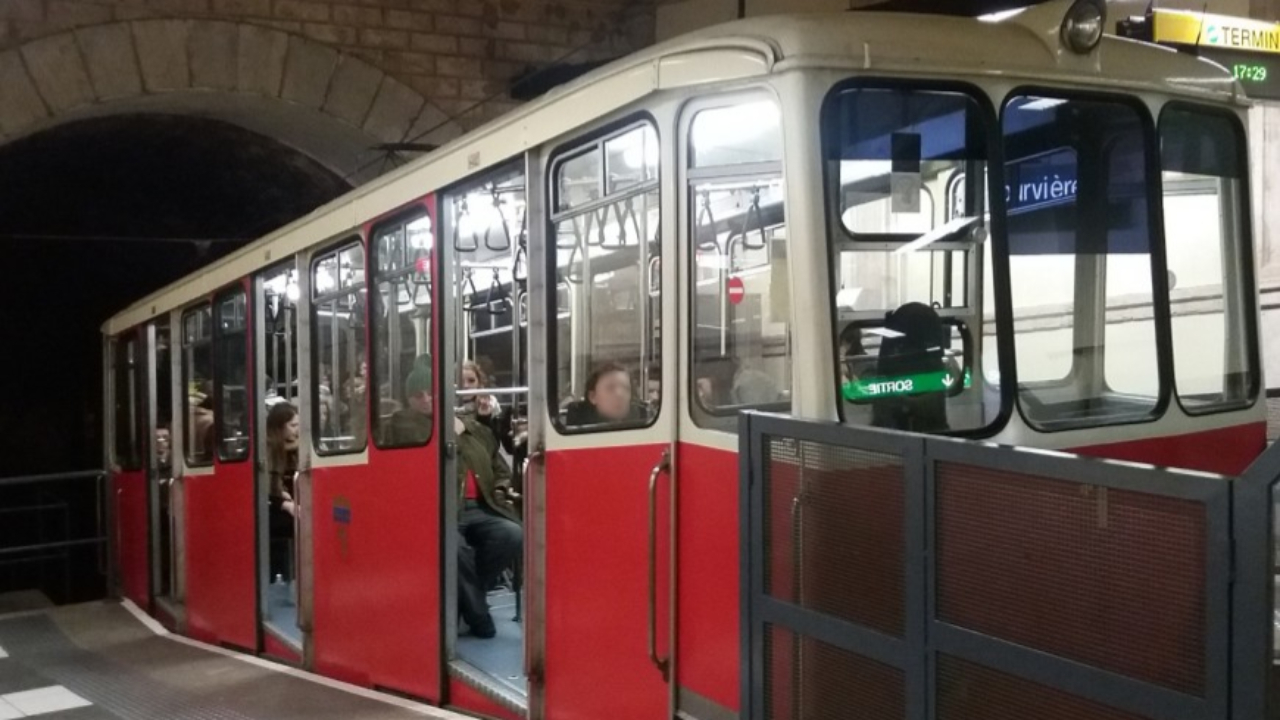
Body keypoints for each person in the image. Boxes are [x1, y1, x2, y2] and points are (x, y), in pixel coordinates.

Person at [265, 402, 301, 583]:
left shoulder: (288, 447)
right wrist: (285, 503)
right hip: (267, 508)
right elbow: (264, 489)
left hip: (277, 502)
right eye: (293, 425)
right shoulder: (269, 448)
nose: (297, 430)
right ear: (280, 426)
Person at [565, 363, 646, 425]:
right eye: (610, 388)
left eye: (626, 388)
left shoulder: (645, 425)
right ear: (592, 397)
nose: (620, 394)